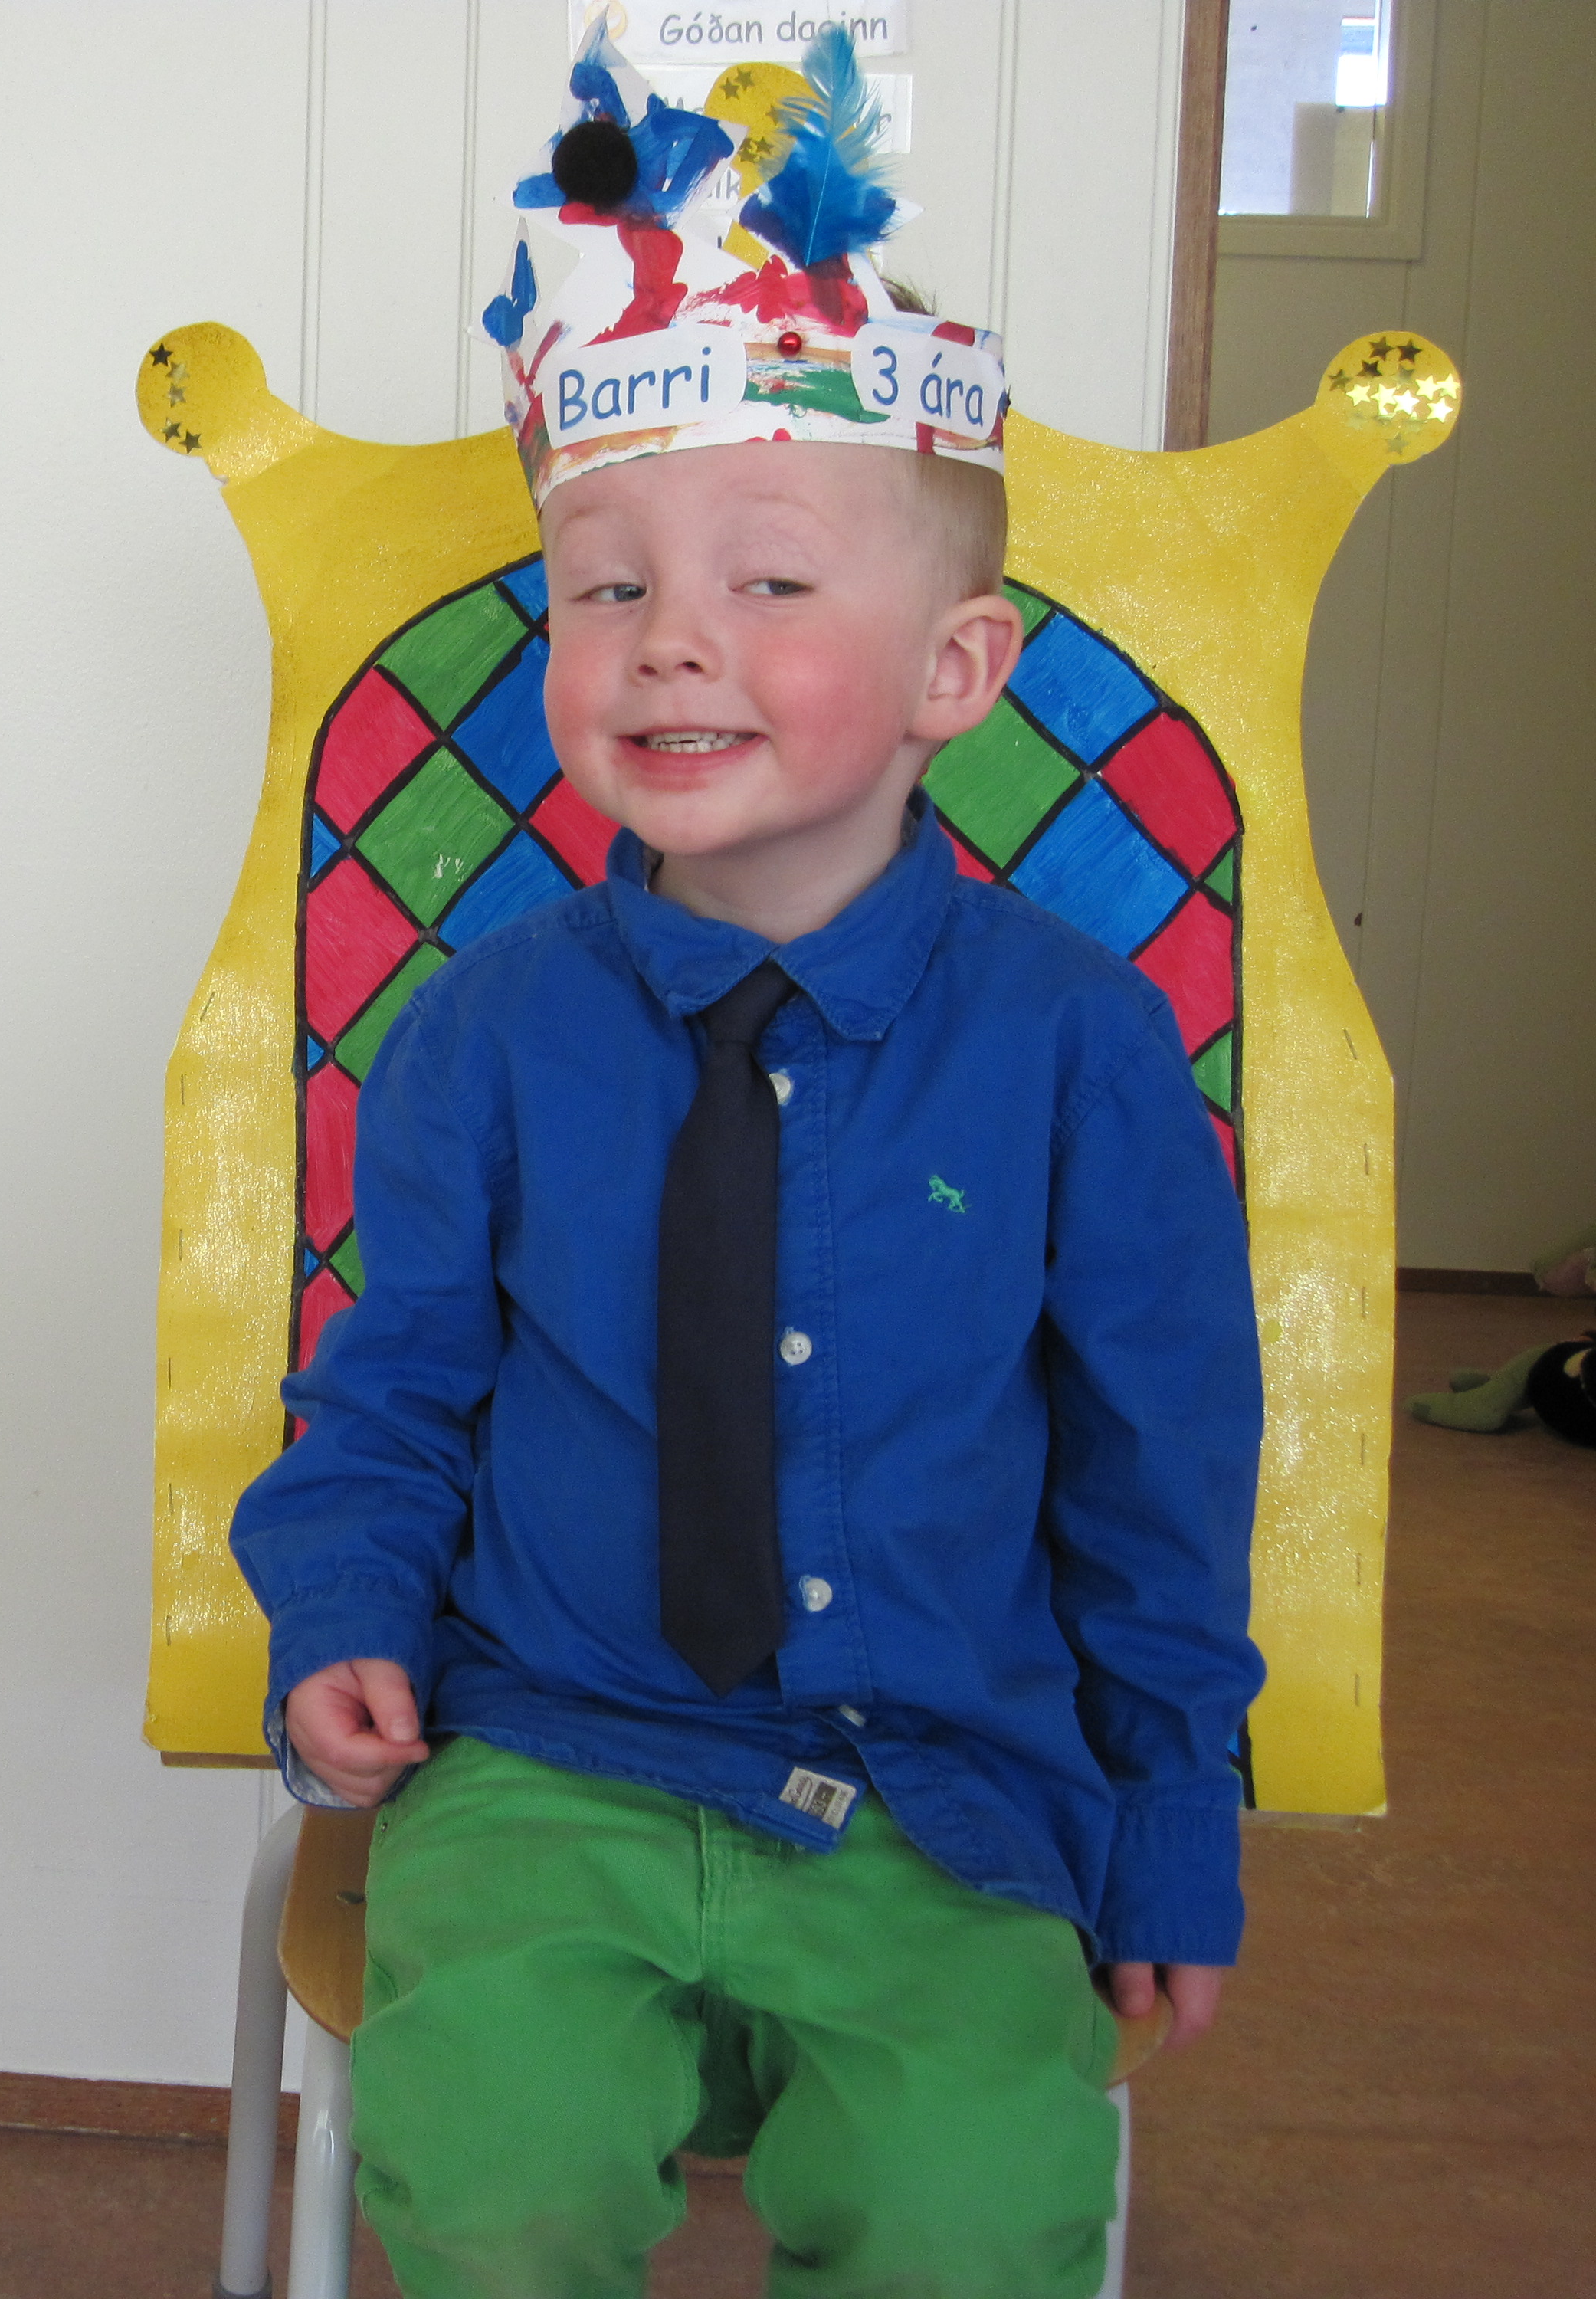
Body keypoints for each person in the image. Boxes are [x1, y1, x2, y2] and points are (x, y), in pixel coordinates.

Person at [228, 28, 1263, 2299]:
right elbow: (390, 1392)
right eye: (605, 591)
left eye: (772, 586)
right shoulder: (482, 1035)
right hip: (551, 1759)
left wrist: (1175, 1820)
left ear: (956, 670)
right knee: (492, 2174)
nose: (672, 638)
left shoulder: (1081, 1055)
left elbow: (1159, 1473)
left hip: (940, 1794)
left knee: (972, 2208)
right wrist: (342, 1617)